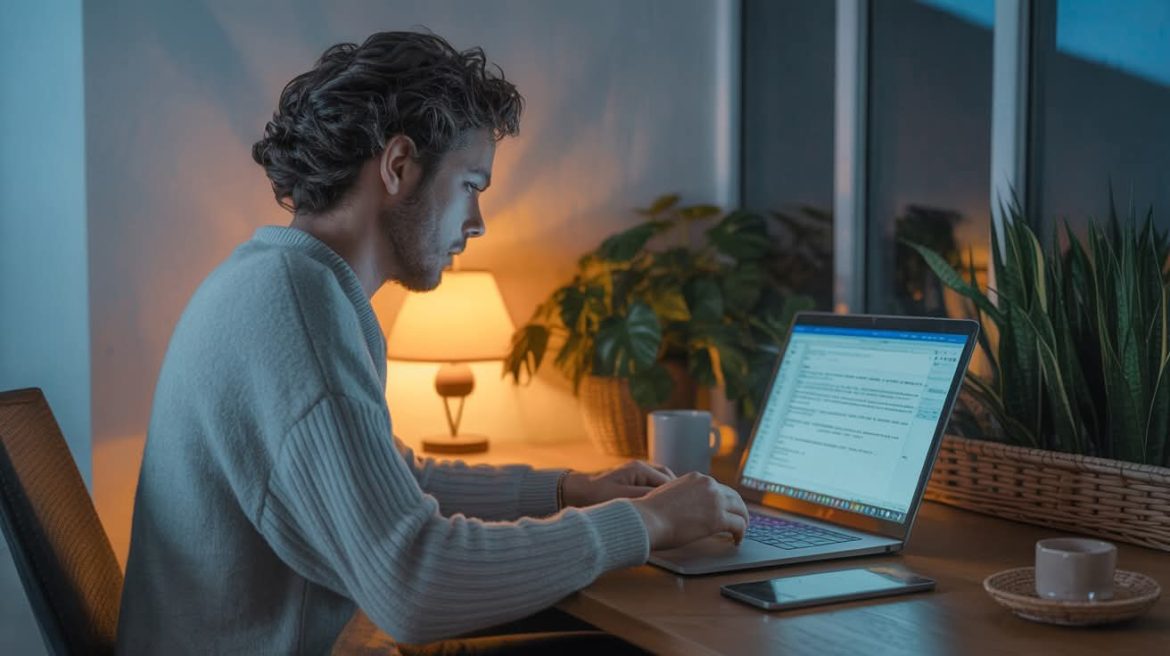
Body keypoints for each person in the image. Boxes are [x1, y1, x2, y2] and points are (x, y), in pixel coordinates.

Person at [116, 30, 749, 655]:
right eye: (471, 185)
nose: (477, 224)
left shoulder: (279, 282)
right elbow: (413, 585)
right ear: (398, 166)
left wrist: (571, 490)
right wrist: (649, 521)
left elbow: (398, 480)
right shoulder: (297, 310)